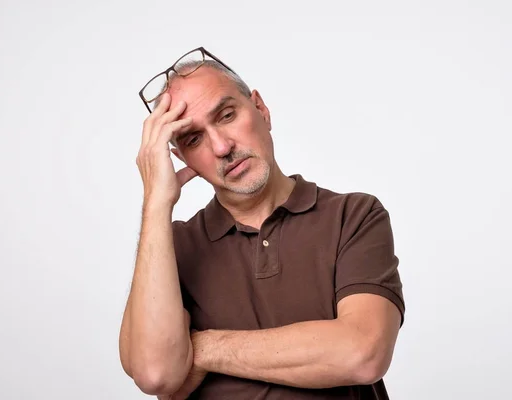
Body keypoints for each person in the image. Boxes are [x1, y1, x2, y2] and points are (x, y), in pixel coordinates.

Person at [118, 47, 405, 400]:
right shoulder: (169, 247)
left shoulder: (353, 216)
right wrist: (156, 203)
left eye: (225, 115)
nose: (222, 147)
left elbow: (363, 354)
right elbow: (156, 373)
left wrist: (204, 348)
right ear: (179, 158)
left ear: (260, 108)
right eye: (194, 139)